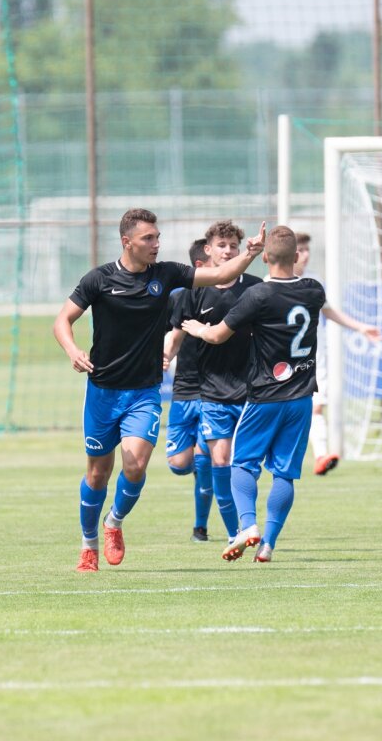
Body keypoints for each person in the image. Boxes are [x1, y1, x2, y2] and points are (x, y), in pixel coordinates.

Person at [54, 209, 266, 573]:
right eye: (148, 239)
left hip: (144, 393)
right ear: (127, 242)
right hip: (102, 392)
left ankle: (114, 523)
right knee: (97, 474)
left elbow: (220, 273)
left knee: (135, 465)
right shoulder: (99, 279)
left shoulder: (167, 274)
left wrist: (250, 253)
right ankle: (88, 544)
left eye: (157, 237)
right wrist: (73, 351)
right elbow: (63, 320)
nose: (156, 244)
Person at [183, 225, 380, 563]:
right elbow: (326, 310)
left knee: (242, 465)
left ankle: (248, 526)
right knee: (285, 473)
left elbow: (217, 336)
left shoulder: (258, 295)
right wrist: (359, 326)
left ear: (266, 257)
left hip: (264, 397)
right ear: (297, 257)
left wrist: (199, 329)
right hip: (302, 398)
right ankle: (268, 544)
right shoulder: (313, 290)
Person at [168, 221, 262, 545]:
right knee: (195, 463)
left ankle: (239, 528)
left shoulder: (254, 287)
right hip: (207, 391)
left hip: (250, 391)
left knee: (239, 463)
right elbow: (177, 333)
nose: (228, 250)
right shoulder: (193, 291)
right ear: (208, 250)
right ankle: (236, 532)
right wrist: (164, 357)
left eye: (233, 246)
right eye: (222, 245)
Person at [163, 238, 214, 542]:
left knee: (206, 460)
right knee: (180, 465)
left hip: (216, 391)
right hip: (185, 389)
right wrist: (166, 356)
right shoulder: (183, 298)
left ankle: (201, 527)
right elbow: (174, 334)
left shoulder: (236, 293)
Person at [293, 231, 339, 476]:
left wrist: (361, 327)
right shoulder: (271, 282)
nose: (306, 254)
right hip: (286, 361)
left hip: (316, 357)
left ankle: (321, 456)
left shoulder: (315, 281)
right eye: (301, 249)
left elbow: (329, 312)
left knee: (316, 407)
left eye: (308, 249)